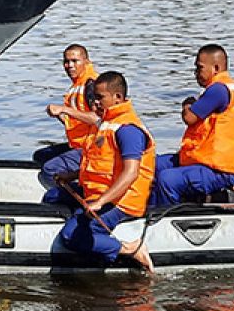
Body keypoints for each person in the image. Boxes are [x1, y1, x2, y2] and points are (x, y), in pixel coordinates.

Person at [48, 71, 155, 272]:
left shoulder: (128, 129)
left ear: (117, 98)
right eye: (94, 98)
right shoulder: (105, 122)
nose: (95, 103)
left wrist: (101, 201)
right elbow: (99, 164)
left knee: (71, 236)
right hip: (97, 190)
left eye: (99, 98)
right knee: (53, 195)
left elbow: (131, 173)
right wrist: (70, 177)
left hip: (122, 200)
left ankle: (130, 249)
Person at [152, 44, 234, 206]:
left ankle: (162, 215)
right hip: (203, 161)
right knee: (152, 164)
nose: (196, 73)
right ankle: (147, 205)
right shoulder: (223, 89)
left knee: (167, 179)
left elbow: (190, 117)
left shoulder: (219, 90)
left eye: (199, 68)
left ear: (216, 68)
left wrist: (187, 105)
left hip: (218, 170)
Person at [37, 44, 100, 190]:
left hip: (93, 148)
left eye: (75, 61)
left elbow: (98, 119)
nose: (69, 65)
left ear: (86, 62)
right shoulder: (77, 84)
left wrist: (65, 109)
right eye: (66, 61)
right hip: (79, 144)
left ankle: (67, 201)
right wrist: (60, 115)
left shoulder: (91, 84)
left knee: (48, 171)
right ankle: (73, 182)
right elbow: (77, 122)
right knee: (40, 156)